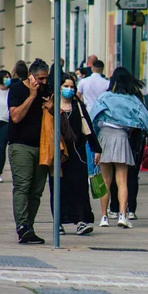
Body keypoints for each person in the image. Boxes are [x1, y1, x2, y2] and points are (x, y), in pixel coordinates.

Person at [90, 67, 148, 229]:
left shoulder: (104, 98)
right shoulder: (133, 100)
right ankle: (123, 215)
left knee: (105, 181)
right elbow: (147, 122)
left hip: (104, 138)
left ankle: (104, 217)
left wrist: (93, 144)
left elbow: (92, 119)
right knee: (122, 181)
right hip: (122, 138)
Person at [49, 74, 101, 236]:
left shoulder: (78, 106)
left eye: (72, 87)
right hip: (58, 154)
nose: (69, 90)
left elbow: (88, 128)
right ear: (59, 87)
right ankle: (59, 222)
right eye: (66, 86)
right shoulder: (51, 106)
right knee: (58, 187)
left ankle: (81, 221)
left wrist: (96, 149)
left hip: (77, 154)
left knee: (79, 187)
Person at [8, 58, 52, 244]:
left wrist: (52, 108)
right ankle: (22, 226)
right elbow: (15, 117)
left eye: (45, 79)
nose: (43, 82)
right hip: (21, 146)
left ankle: (29, 227)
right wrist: (32, 96)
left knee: (36, 191)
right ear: (31, 76)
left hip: (42, 147)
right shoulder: (18, 89)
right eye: (40, 78)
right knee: (22, 186)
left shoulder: (47, 91)